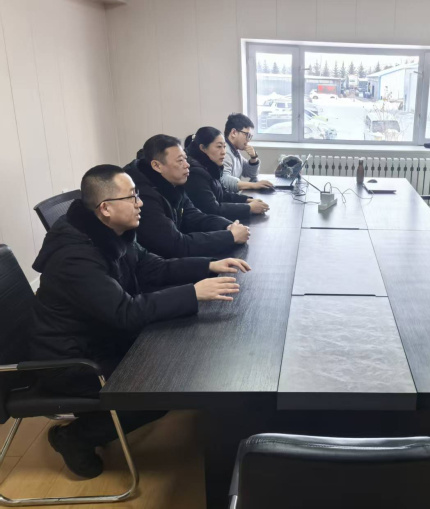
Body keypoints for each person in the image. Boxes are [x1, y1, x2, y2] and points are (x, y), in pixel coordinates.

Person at [30, 164, 250, 478]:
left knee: (179, 353)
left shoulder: (108, 233)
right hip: (71, 362)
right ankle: (74, 437)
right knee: (160, 390)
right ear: (105, 208)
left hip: (99, 338)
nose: (140, 202)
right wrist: (192, 292)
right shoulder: (75, 256)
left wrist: (209, 265)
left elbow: (152, 268)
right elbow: (126, 313)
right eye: (132, 196)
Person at [123, 134, 250, 259]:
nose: (187, 164)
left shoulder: (172, 182)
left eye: (185, 158)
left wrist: (228, 226)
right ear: (157, 166)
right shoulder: (142, 196)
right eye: (180, 161)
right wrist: (229, 237)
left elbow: (194, 216)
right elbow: (175, 245)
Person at [184, 126, 270, 221]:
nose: (223, 152)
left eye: (224, 147)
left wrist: (247, 200)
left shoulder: (211, 165)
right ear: (203, 148)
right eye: (219, 147)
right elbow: (212, 209)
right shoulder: (195, 173)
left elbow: (223, 195)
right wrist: (249, 208)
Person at [221, 113, 274, 193]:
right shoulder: (225, 152)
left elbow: (250, 173)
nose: (249, 140)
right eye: (248, 135)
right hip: (227, 199)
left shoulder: (235, 151)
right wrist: (254, 185)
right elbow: (224, 180)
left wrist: (254, 158)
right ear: (234, 133)